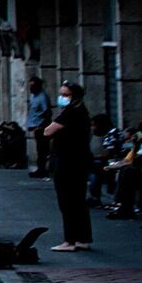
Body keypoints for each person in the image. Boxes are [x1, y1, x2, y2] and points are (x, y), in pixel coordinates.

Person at [44, 82, 94, 252]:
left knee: (67, 201)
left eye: (66, 95)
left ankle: (69, 240)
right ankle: (83, 238)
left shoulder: (70, 112)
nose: (62, 98)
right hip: (80, 160)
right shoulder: (82, 112)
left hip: (67, 161)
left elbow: (48, 131)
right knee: (78, 201)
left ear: (75, 96)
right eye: (61, 94)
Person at [24, 77, 52, 178]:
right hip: (34, 125)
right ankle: (41, 168)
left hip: (41, 127)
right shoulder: (33, 96)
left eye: (33, 85)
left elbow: (47, 112)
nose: (31, 88)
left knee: (42, 149)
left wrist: (41, 126)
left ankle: (43, 169)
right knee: (40, 149)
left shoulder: (42, 97)